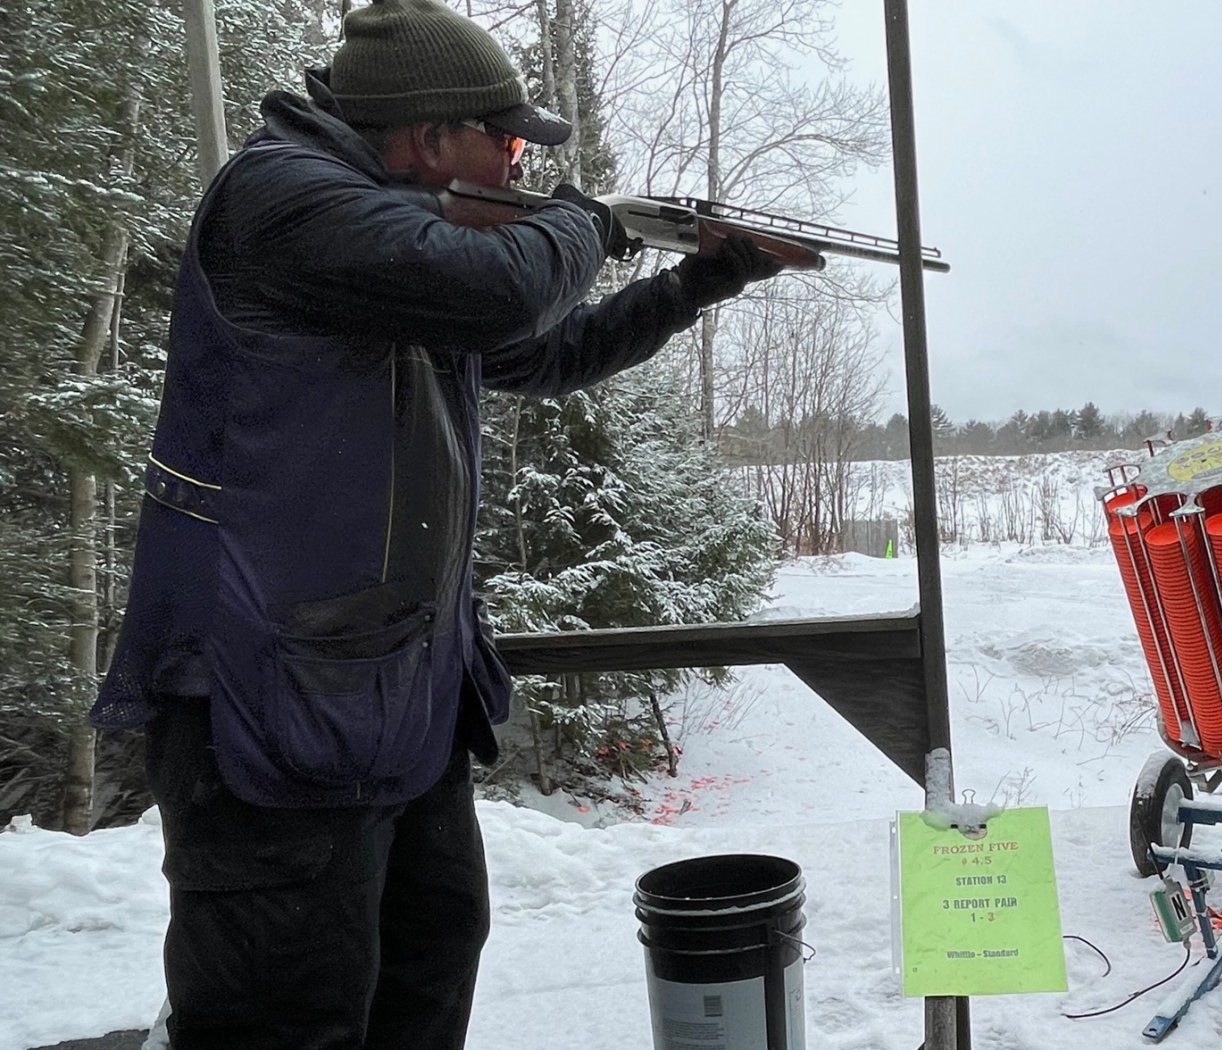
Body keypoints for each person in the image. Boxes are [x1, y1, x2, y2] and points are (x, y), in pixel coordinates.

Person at [89, 0, 782, 1045]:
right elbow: (504, 291)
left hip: (394, 692)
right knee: (286, 1016)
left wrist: (698, 279)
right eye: (506, 141)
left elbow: (539, 353)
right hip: (269, 698)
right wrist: (596, 221)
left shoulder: (392, 237)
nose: (515, 162)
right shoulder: (283, 197)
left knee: (429, 963)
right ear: (426, 136)